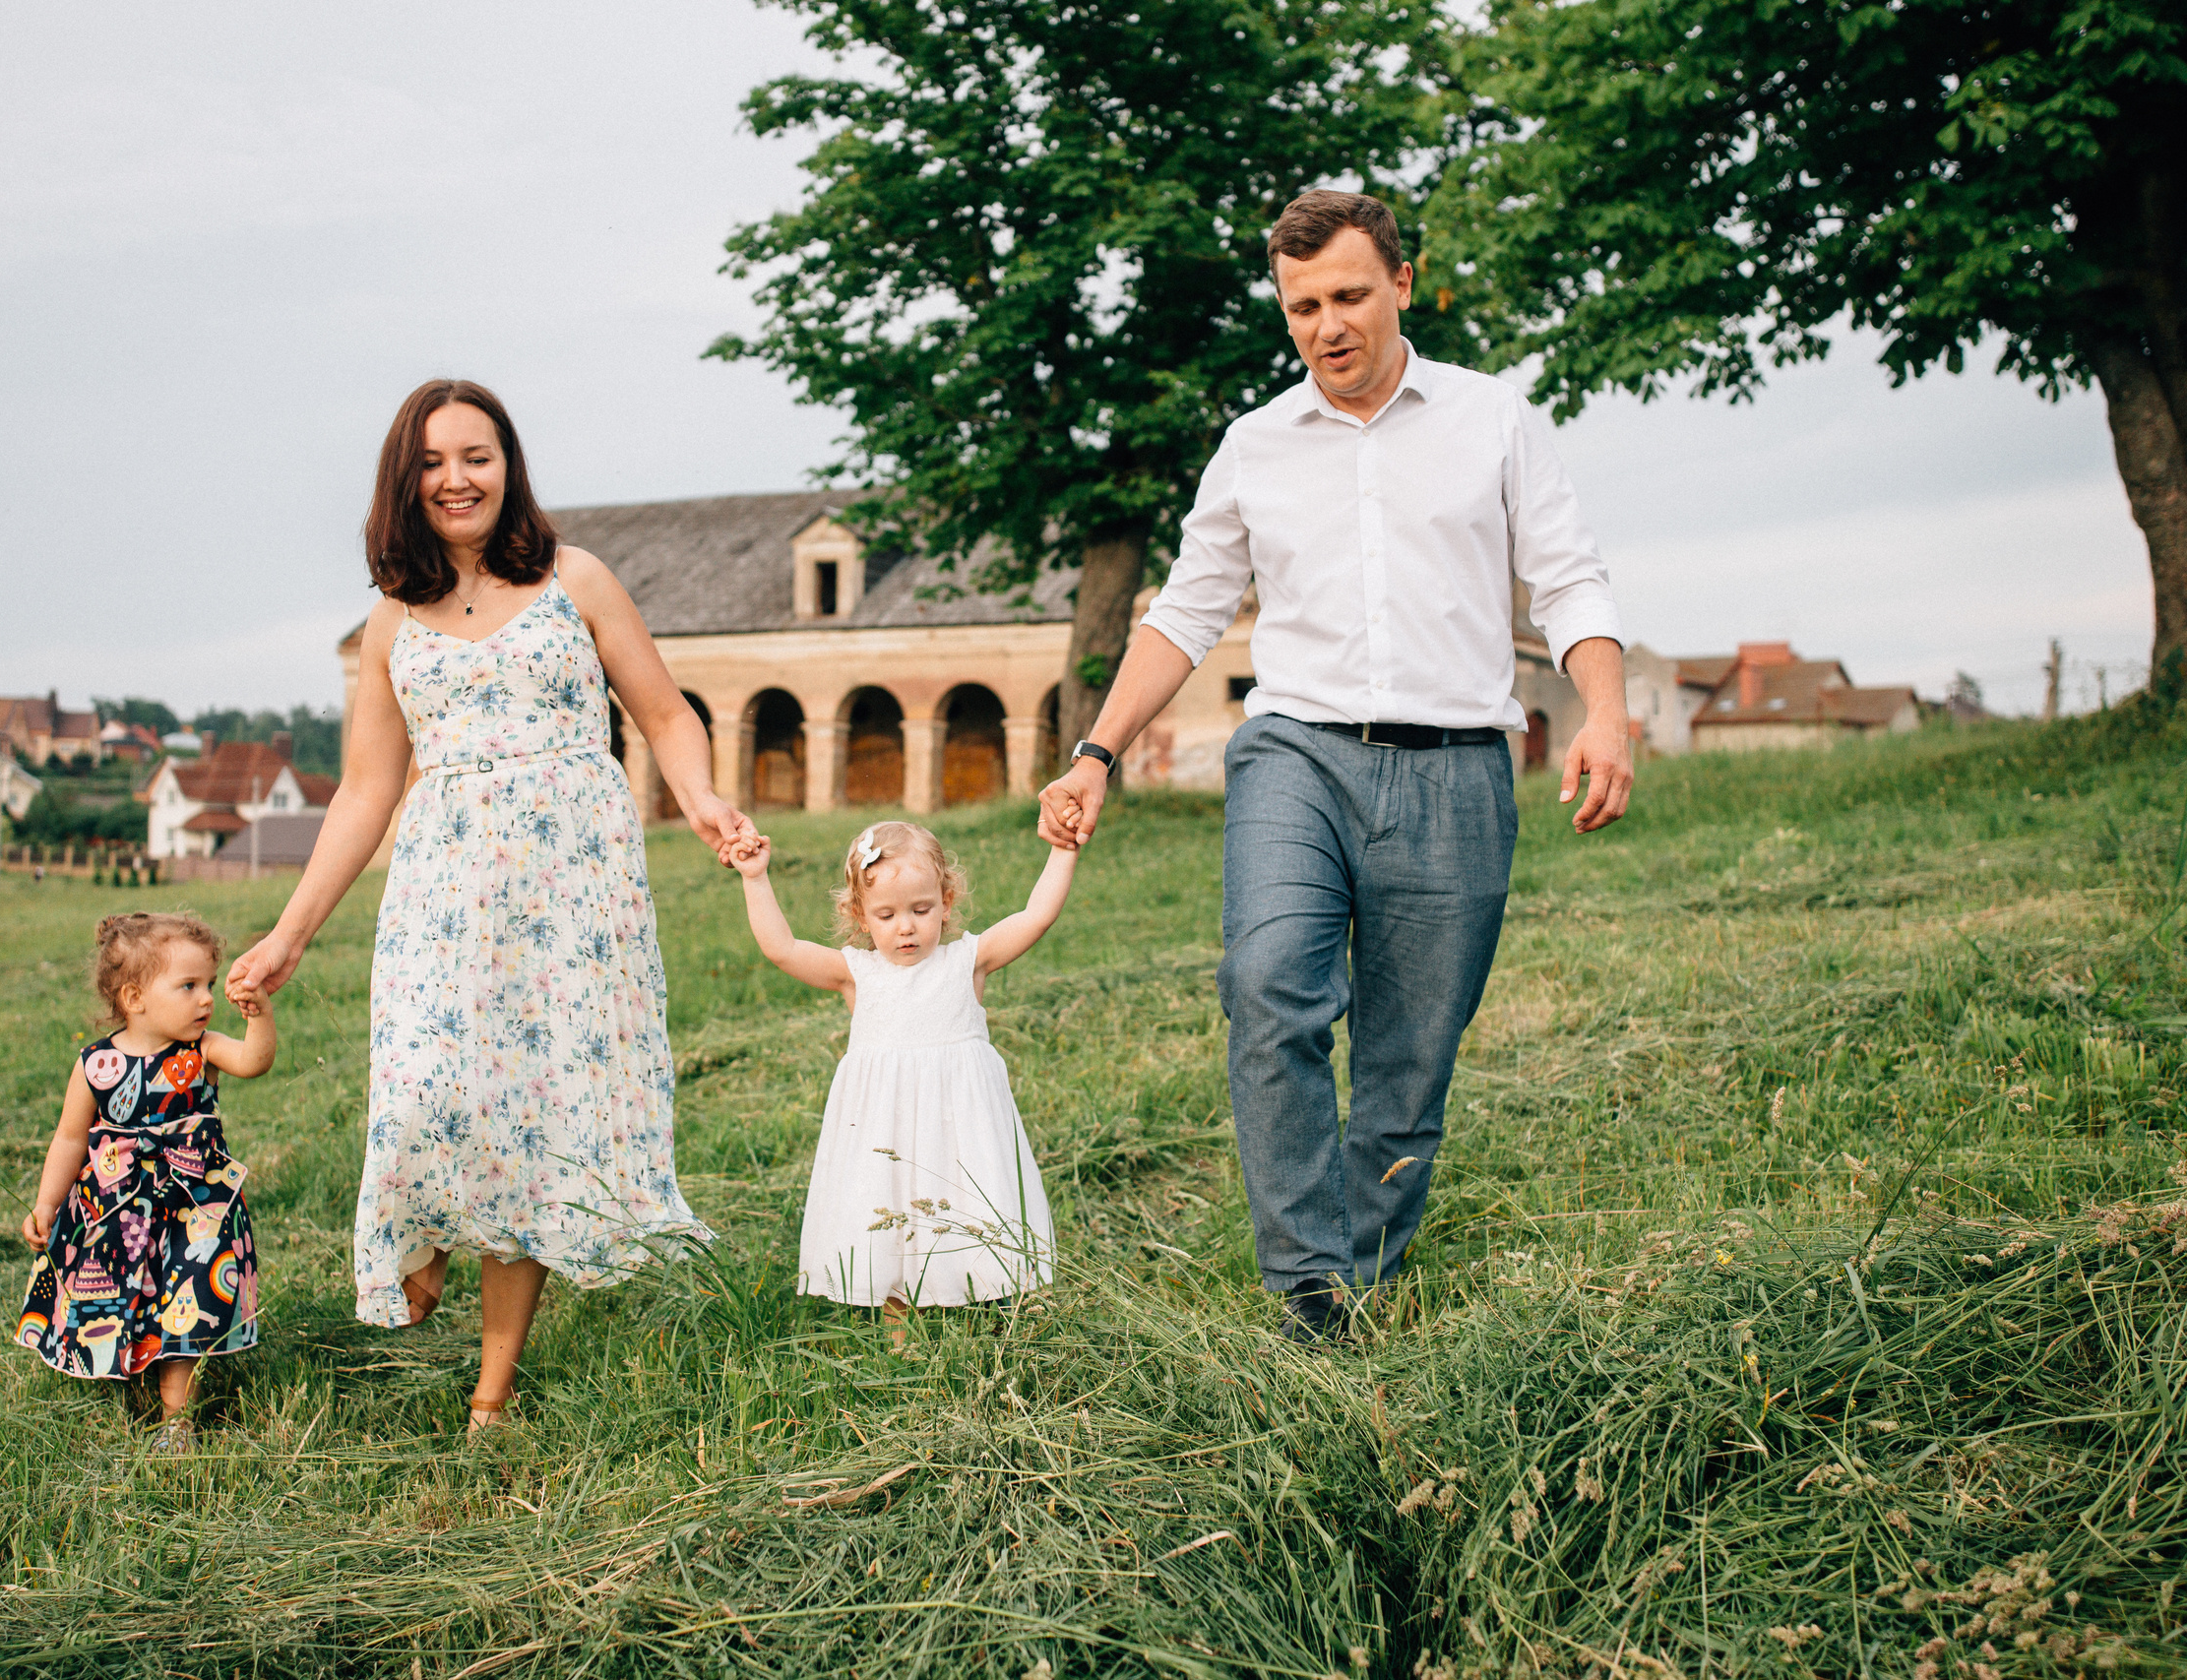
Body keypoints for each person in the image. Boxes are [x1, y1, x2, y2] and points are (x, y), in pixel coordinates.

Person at [1039, 189, 1634, 1342]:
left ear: (1402, 285)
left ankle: (1366, 1259)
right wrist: (1096, 751)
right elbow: (1186, 611)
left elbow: (1567, 579)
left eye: (1349, 296)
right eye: (1302, 306)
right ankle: (1306, 1284)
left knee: (1411, 1052)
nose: (1327, 325)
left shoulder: (1492, 419)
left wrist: (1603, 714)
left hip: (1457, 766)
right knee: (1270, 990)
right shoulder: (1254, 446)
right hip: (1294, 753)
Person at [225, 379, 749, 1433]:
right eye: (431, 462)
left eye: (477, 455)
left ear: (508, 466)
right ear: (403, 483)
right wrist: (290, 932)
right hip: (442, 898)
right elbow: (368, 790)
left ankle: (491, 1392)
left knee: (533, 1123)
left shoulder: (577, 580)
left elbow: (663, 713)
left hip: (571, 892)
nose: (456, 478)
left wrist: (698, 797)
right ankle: (417, 1243)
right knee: (419, 1096)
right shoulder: (392, 623)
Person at [723, 821, 1073, 1338]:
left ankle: (1008, 1298)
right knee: (888, 1204)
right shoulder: (856, 974)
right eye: (886, 915)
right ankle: (898, 1317)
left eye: (921, 910)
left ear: (946, 901)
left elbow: (1036, 916)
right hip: (885, 1129)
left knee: (981, 1195)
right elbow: (782, 949)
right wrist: (755, 878)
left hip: (961, 1125)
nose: (905, 927)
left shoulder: (966, 962)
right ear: (860, 916)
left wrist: (1063, 851)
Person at [17, 912, 274, 1449]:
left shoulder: (201, 1052)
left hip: (194, 1208)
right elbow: (69, 1139)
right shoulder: (95, 1064)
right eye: (188, 986)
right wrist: (47, 1204)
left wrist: (260, 1017)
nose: (206, 999)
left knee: (188, 1294)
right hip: (116, 1211)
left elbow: (254, 1061)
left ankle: (176, 1418)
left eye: (209, 984)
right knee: (121, 1296)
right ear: (134, 998)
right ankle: (124, 1374)